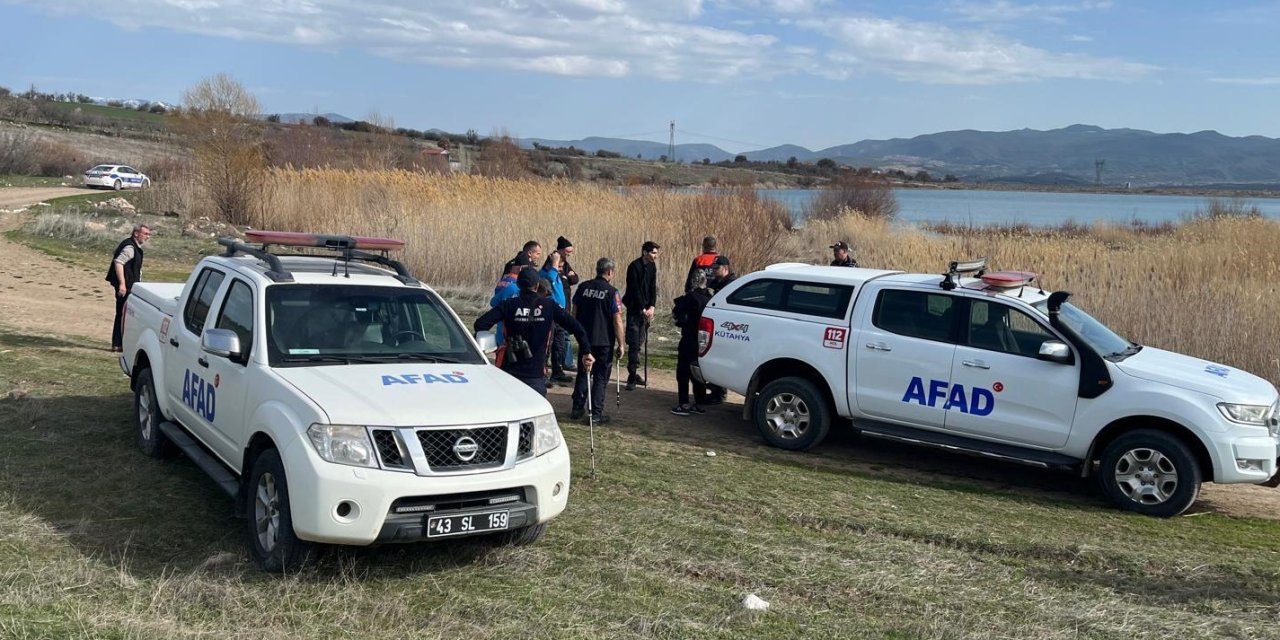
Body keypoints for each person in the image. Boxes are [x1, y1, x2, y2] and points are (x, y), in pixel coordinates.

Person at [474, 267, 593, 396]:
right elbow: (577, 327)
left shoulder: (508, 305)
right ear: (537, 285)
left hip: (509, 371)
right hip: (535, 374)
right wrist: (586, 351)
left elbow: (480, 324)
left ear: (518, 285)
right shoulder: (549, 306)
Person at [570, 257, 626, 424]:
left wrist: (577, 331)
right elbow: (617, 320)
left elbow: (574, 311)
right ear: (609, 272)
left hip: (585, 339)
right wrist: (621, 343)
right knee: (600, 377)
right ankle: (595, 413)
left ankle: (577, 407)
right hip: (603, 341)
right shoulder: (612, 292)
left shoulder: (583, 287)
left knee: (583, 372)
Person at [670, 271, 713, 416]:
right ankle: (699, 403)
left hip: (689, 338)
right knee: (698, 372)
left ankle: (684, 404)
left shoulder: (690, 298)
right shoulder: (710, 299)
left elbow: (677, 315)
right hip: (705, 341)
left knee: (683, 372)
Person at [621, 240, 660, 390]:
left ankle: (635, 371)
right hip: (634, 309)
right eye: (653, 253)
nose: (655, 256)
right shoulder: (634, 266)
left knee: (640, 341)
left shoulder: (652, 266)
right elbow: (635, 289)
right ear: (645, 252)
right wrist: (643, 308)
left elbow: (652, 287)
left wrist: (652, 306)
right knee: (633, 341)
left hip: (645, 310)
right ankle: (631, 377)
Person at [106, 223, 151, 352]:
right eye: (145, 234)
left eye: (149, 234)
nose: (147, 237)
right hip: (125, 287)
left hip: (128, 286)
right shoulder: (130, 247)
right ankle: (118, 344)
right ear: (136, 233)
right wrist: (122, 284)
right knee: (122, 315)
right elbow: (119, 263)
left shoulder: (132, 246)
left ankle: (119, 344)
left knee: (123, 314)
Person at [539, 253, 572, 384]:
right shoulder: (544, 274)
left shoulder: (556, 273)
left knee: (559, 343)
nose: (560, 269)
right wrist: (554, 263)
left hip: (560, 314)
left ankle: (557, 370)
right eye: (559, 266)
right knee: (547, 344)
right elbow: (550, 278)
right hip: (549, 313)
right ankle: (543, 372)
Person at [553, 236, 580, 372]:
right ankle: (562, 363)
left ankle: (566, 361)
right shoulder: (553, 262)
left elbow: (575, 278)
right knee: (559, 335)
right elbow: (554, 280)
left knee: (565, 334)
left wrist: (568, 276)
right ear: (561, 250)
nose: (569, 254)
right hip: (557, 305)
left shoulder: (566, 264)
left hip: (566, 303)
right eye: (568, 251)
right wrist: (565, 278)